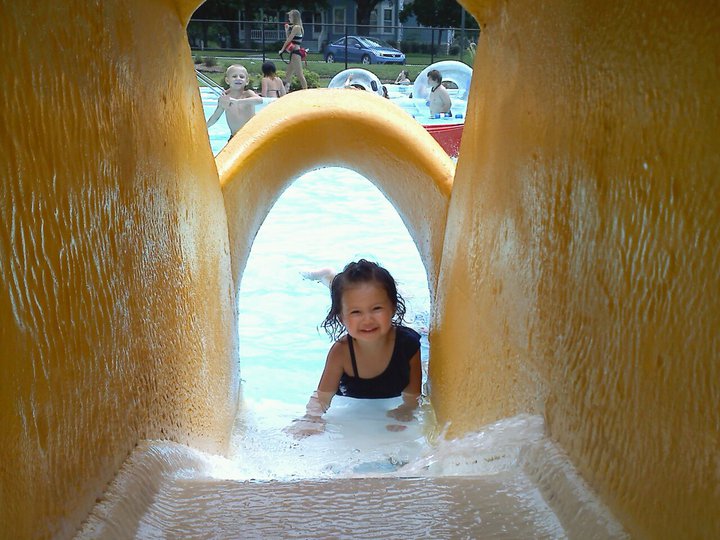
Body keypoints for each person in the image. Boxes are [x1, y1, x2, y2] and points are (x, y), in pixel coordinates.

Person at [288, 260, 422, 438]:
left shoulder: (408, 345)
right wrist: (311, 418)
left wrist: (407, 409)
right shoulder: (341, 352)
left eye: (377, 308)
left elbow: (413, 395)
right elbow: (322, 396)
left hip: (401, 330)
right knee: (344, 292)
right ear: (341, 318)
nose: (367, 320)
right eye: (356, 312)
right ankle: (328, 276)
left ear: (393, 308)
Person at [206, 64, 263, 139]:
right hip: (234, 137)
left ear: (247, 81)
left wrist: (238, 101)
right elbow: (215, 117)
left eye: (242, 77)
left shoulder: (248, 94)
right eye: (234, 76)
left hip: (250, 137)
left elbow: (260, 100)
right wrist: (205, 127)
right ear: (227, 80)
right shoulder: (225, 99)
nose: (238, 78)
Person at [278, 9, 308, 92]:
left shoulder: (296, 27)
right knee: (288, 75)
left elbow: (288, 40)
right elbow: (289, 39)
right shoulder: (295, 27)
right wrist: (286, 31)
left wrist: (282, 49)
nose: (289, 19)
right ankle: (285, 92)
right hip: (293, 53)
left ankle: (306, 92)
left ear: (294, 17)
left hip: (296, 53)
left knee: (300, 75)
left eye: (290, 17)